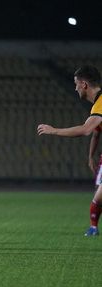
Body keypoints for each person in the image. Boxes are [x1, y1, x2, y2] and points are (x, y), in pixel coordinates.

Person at [37, 65, 102, 236]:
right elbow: (96, 133)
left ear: (84, 84)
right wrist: (91, 156)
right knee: (98, 197)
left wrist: (54, 130)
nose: (75, 88)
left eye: (76, 84)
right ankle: (93, 227)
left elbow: (86, 130)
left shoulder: (100, 103)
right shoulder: (97, 105)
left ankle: (93, 227)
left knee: (98, 197)